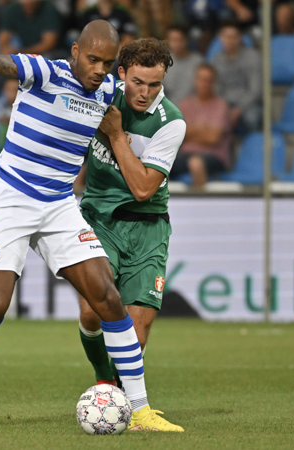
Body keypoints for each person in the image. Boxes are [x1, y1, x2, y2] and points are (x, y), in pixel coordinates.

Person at [0, 21, 162, 429]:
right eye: (93, 59)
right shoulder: (46, 72)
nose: (99, 69)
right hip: (12, 199)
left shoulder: (106, 92)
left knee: (109, 299)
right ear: (76, 51)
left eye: (107, 63)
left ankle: (141, 410)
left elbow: (144, 95)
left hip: (59, 205)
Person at [77, 37, 186, 432]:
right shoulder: (98, 95)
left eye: (155, 84)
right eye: (138, 82)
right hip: (99, 220)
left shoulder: (171, 123)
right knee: (92, 311)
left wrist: (116, 134)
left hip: (148, 227)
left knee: (137, 333)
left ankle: (121, 402)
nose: (145, 93)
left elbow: (142, 188)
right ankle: (103, 378)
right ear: (121, 73)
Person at [171, 64, 232, 187]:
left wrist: (190, 131)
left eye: (208, 80)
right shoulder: (185, 104)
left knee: (196, 163)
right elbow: (176, 135)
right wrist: (203, 129)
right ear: (195, 81)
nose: (204, 84)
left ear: (214, 83)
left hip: (214, 156)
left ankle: (199, 199)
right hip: (186, 154)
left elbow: (213, 138)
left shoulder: (221, 105)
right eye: (201, 79)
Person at [210, 21, 262, 134]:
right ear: (221, 38)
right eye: (227, 37)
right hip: (225, 103)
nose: (231, 41)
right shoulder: (216, 61)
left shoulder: (253, 57)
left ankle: (254, 143)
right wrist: (223, 108)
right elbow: (216, 89)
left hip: (249, 104)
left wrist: (239, 109)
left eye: (234, 37)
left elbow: (255, 90)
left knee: (252, 118)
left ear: (241, 37)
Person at [163, 25, 204, 106]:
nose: (176, 44)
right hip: (168, 108)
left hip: (194, 108)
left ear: (186, 40)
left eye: (180, 40)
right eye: (173, 40)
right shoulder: (162, 62)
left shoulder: (199, 62)